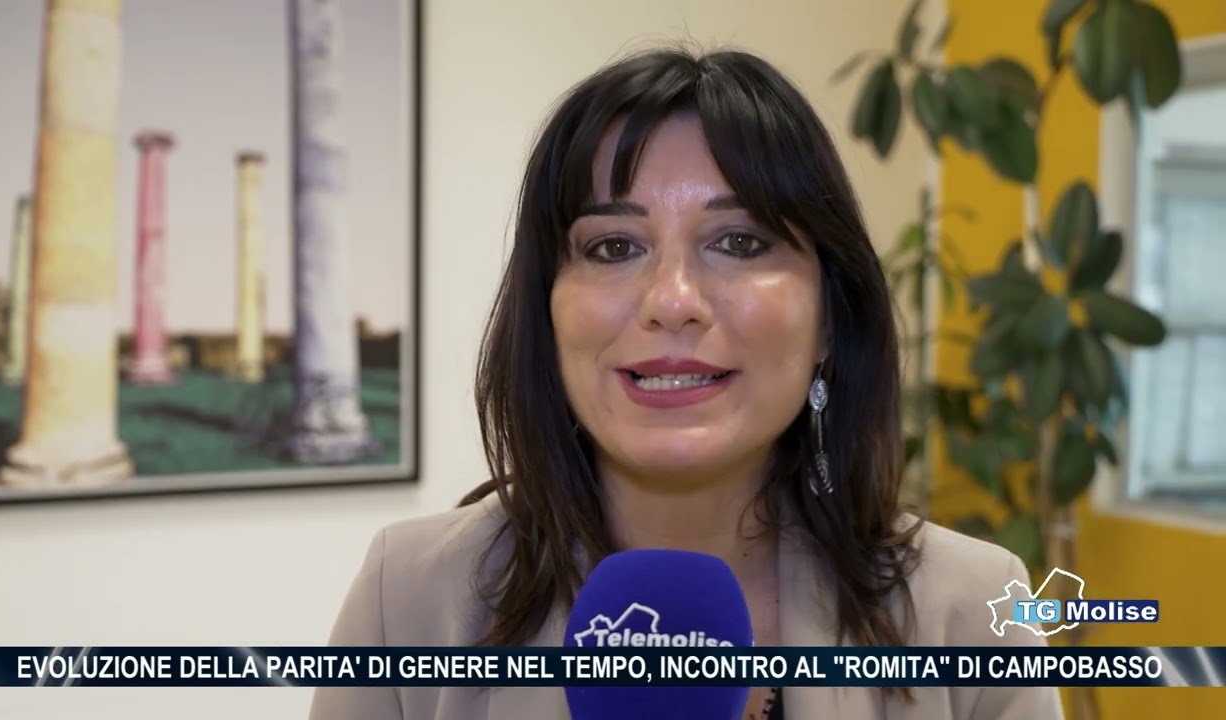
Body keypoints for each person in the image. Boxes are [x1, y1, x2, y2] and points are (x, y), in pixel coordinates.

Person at [309, 46, 1065, 720]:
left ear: (830, 318)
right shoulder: (407, 599)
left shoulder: (971, 613)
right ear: (547, 313)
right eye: (613, 247)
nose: (672, 301)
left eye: (739, 242)